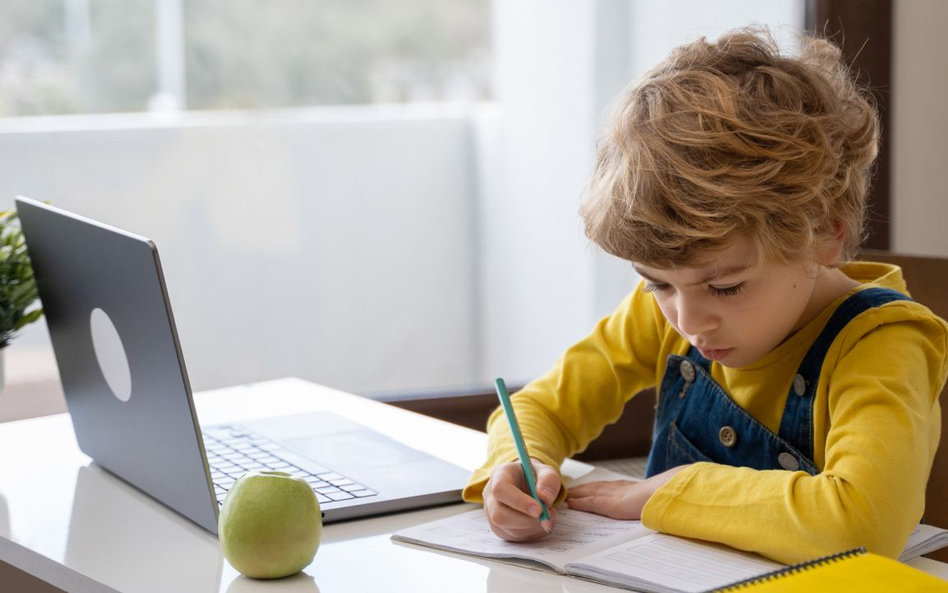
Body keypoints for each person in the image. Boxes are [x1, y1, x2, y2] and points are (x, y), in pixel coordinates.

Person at [461, 27, 948, 564]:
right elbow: (539, 407)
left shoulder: (882, 344)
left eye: (725, 286)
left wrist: (664, 494)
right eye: (658, 282)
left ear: (823, 237)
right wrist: (514, 467)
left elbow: (861, 520)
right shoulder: (670, 310)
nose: (689, 320)